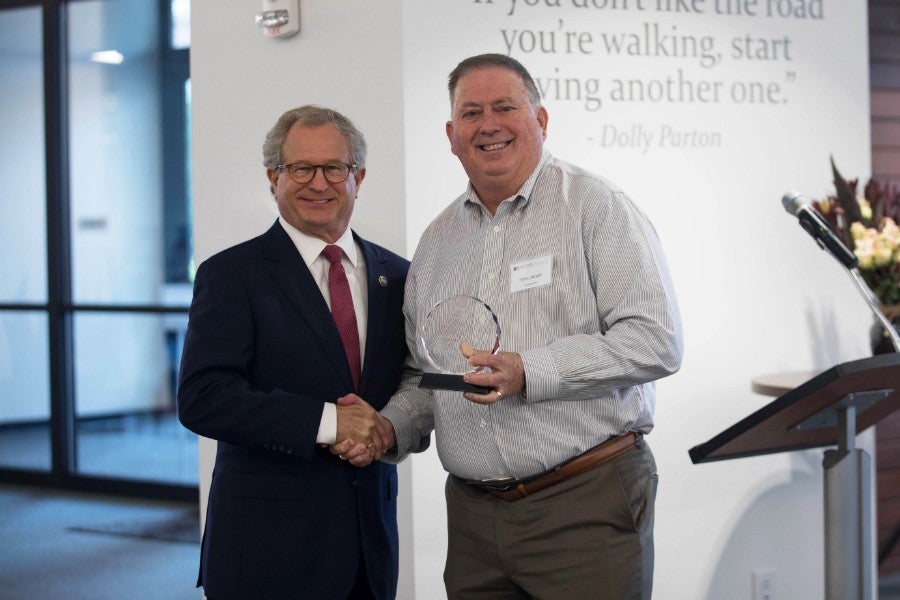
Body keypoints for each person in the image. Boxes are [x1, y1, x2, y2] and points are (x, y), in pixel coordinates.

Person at [378, 53, 684, 599]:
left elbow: (654, 340)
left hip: (584, 503)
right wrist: (389, 427)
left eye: (505, 107)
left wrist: (528, 371)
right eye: (472, 113)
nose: (488, 124)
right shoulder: (436, 244)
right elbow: (427, 376)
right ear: (452, 135)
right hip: (472, 519)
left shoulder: (596, 208)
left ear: (540, 121)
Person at [177, 105, 410, 600]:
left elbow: (409, 381)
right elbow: (204, 397)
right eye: (300, 168)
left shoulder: (398, 275)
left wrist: (388, 429)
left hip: (370, 546)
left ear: (358, 177)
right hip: (267, 548)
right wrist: (328, 423)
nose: (318, 183)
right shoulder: (232, 275)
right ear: (273, 178)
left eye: (335, 168)